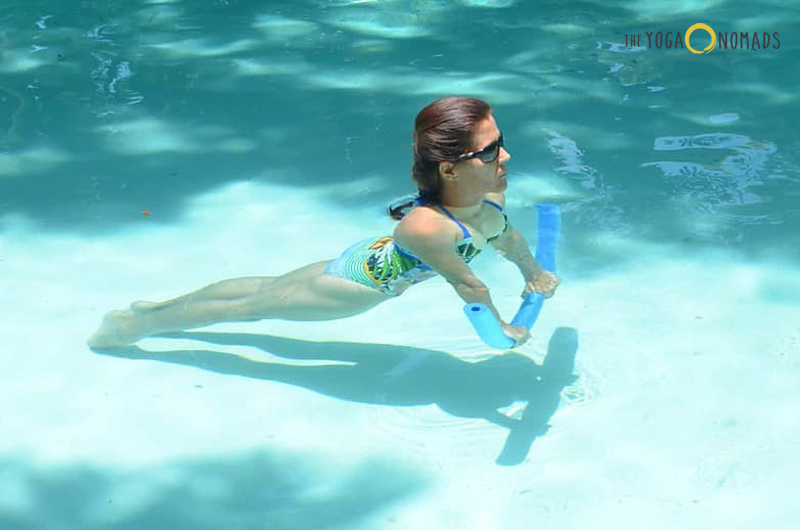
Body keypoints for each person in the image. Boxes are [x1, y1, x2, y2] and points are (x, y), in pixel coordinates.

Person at [88, 97, 559, 350]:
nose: (506, 156)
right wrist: (505, 329)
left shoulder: (490, 193)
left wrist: (532, 273)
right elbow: (471, 288)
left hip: (365, 256)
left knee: (261, 290)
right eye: (491, 150)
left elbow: (507, 235)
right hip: (355, 287)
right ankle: (134, 328)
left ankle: (155, 309)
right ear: (450, 169)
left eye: (501, 142)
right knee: (247, 309)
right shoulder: (428, 227)